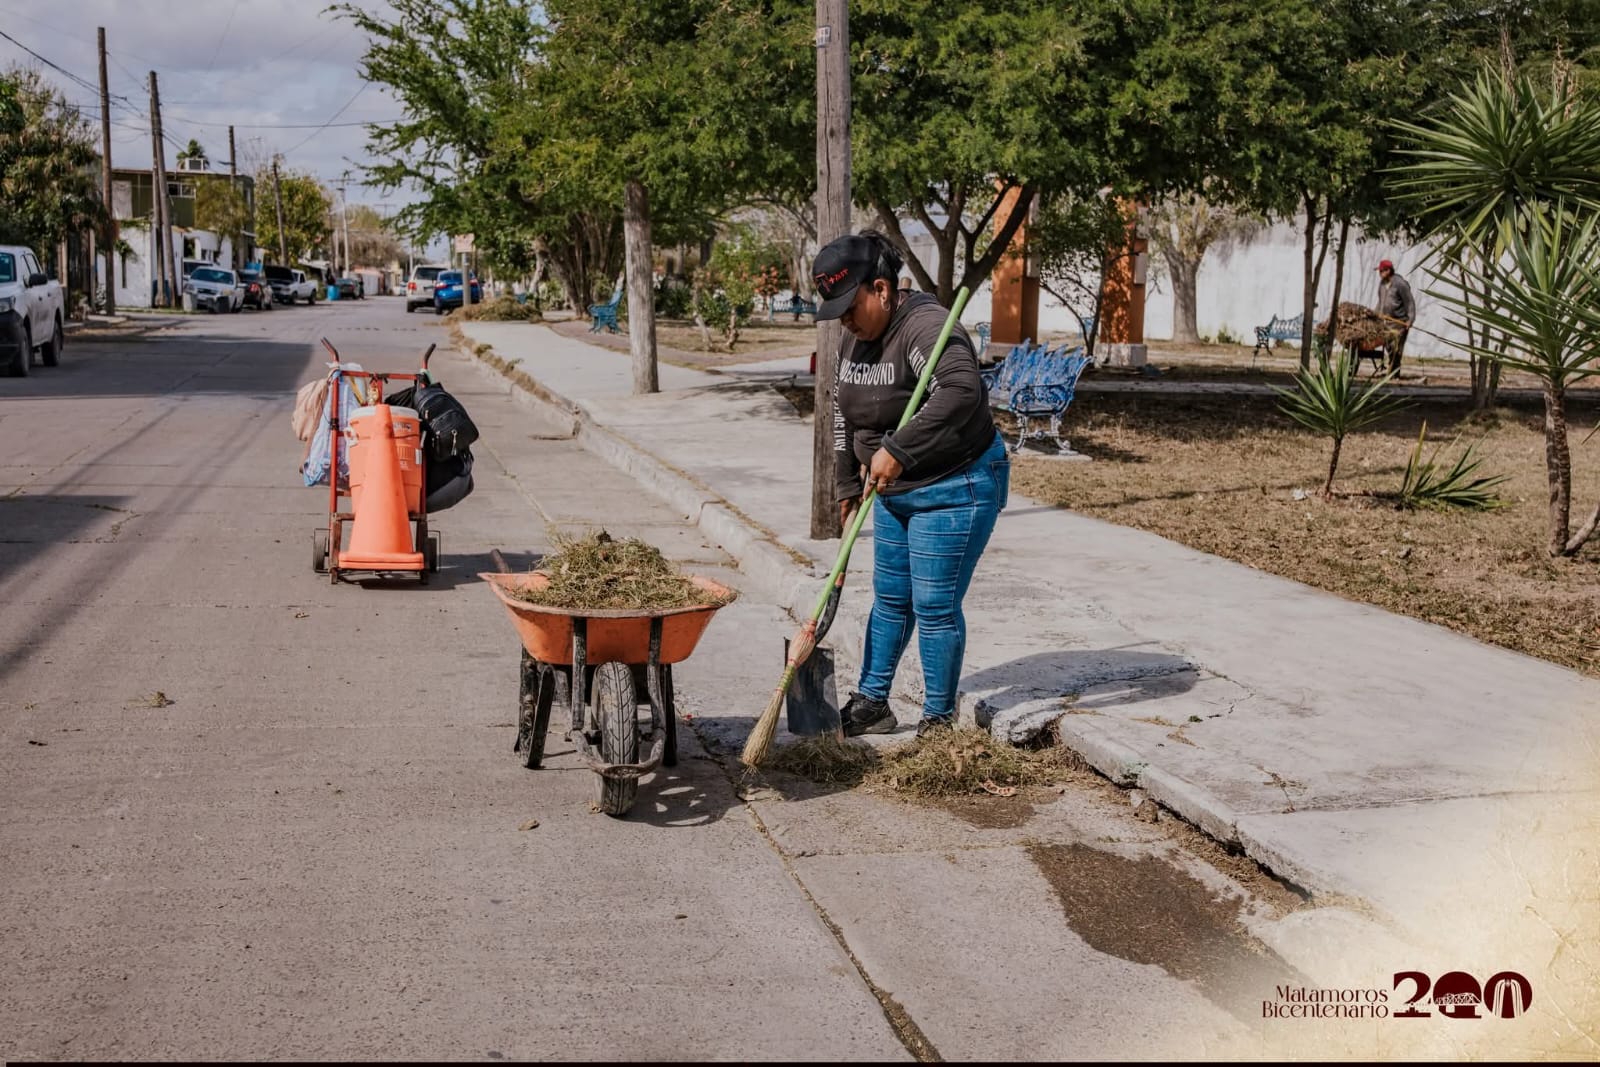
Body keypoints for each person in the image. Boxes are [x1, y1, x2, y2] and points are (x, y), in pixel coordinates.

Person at [813, 230, 1010, 739]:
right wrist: (845, 483)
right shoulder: (854, 336)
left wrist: (898, 450)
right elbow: (842, 410)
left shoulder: (926, 328)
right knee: (891, 598)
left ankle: (937, 723)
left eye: (850, 307)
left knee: (934, 605)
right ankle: (873, 702)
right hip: (891, 490)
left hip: (954, 484)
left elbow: (961, 390)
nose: (845, 321)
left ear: (881, 289)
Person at [1374, 258, 1416, 373]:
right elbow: (1381, 301)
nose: (1379, 273)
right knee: (1389, 346)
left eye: (1381, 271)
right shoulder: (1382, 284)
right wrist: (1375, 314)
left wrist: (1410, 319)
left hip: (1399, 322)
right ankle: (1392, 370)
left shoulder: (1400, 284)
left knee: (1396, 348)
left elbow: (1409, 302)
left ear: (1388, 271)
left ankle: (1394, 372)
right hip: (1387, 322)